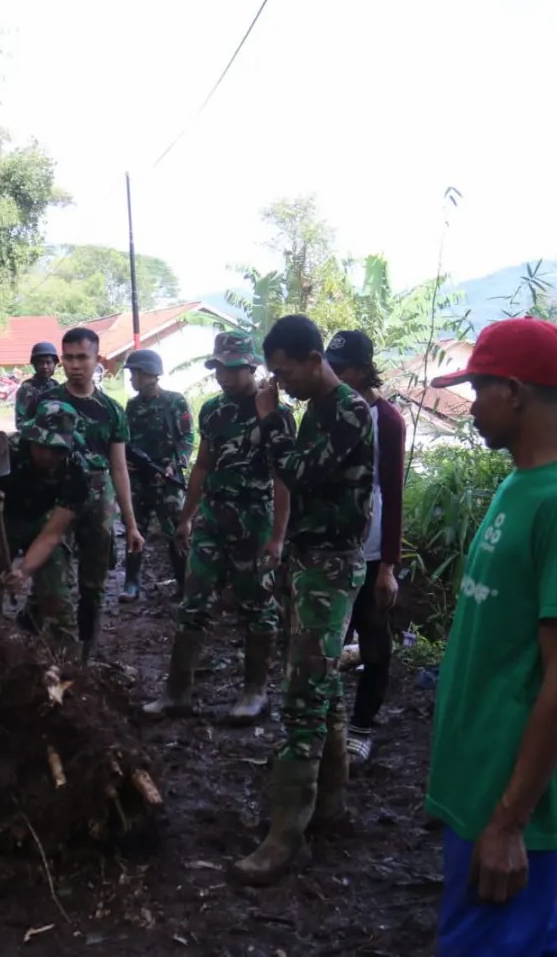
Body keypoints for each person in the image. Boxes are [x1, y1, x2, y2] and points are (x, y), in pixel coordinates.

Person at [424, 317, 557, 957]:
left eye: (477, 389)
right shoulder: (519, 484)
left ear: (514, 391)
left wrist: (509, 821)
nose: (470, 406)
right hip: (475, 777)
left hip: (506, 799)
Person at [232, 314, 374, 886]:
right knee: (324, 687)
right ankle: (331, 810)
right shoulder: (316, 410)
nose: (279, 382)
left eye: (285, 371)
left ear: (314, 359)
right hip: (311, 561)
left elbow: (300, 474)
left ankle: (285, 834)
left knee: (302, 696)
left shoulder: (348, 410)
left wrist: (270, 421)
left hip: (333, 567)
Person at [144, 330, 290, 720]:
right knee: (193, 601)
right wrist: (186, 517)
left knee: (257, 606)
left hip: (254, 521)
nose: (223, 376)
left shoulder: (275, 411)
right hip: (213, 517)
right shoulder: (212, 410)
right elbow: (203, 465)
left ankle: (255, 693)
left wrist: (278, 536)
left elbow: (283, 476)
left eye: (232, 369)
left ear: (251, 367)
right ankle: (177, 692)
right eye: (217, 368)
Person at [17, 327, 144, 662]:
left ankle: (85, 658)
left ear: (96, 359)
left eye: (82, 357)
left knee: (93, 584)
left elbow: (119, 468)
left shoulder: (112, 410)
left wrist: (130, 524)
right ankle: (35, 645)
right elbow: (29, 456)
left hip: (98, 500)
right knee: (51, 575)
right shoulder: (46, 403)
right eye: (69, 358)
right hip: (56, 498)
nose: (75, 365)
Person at [324, 331, 407, 767]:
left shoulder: (386, 420)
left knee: (375, 644)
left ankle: (362, 726)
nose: (335, 376)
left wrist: (388, 566)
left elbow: (393, 493)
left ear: (361, 369)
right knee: (327, 641)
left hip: (371, 550)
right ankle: (329, 723)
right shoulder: (329, 408)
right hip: (333, 547)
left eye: (343, 369)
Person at [0, 401, 91, 651]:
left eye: (57, 449)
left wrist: (23, 571)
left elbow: (52, 535)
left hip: (42, 522)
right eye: (41, 446)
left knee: (58, 599)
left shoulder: (77, 471)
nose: (47, 455)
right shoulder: (2, 452)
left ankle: (63, 667)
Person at [121, 349, 193, 600]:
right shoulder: (131, 406)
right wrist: (124, 462)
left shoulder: (175, 402)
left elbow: (187, 438)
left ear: (150, 375)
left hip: (166, 477)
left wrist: (176, 463)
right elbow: (123, 441)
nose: (131, 379)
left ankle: (184, 584)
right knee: (134, 527)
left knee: (176, 531)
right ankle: (131, 583)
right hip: (138, 479)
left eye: (135, 373)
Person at [14, 341, 60, 425]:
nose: (45, 366)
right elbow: (20, 423)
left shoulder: (56, 386)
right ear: (34, 364)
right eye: (41, 362)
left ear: (54, 364)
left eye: (48, 362)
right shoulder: (26, 389)